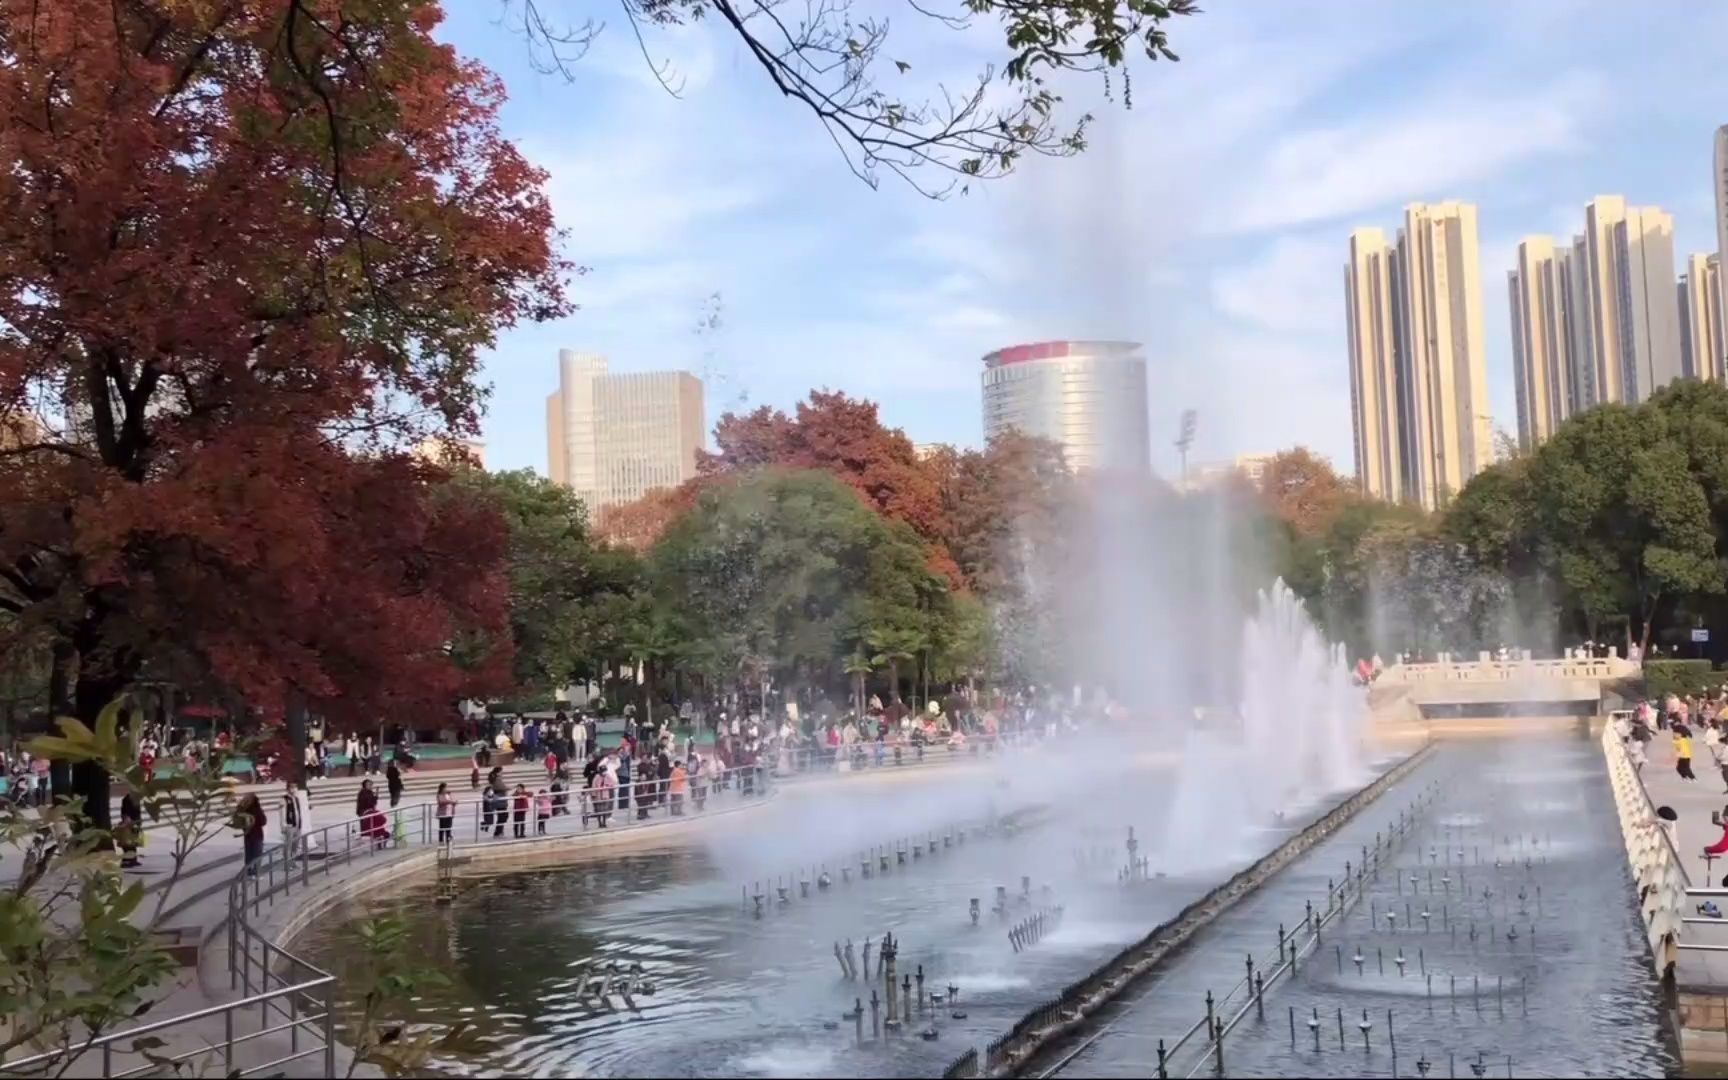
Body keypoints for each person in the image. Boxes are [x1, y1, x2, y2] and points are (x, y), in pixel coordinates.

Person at [236, 793, 267, 870]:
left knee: (248, 854)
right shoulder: (257, 809)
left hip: (248, 834)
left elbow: (239, 822)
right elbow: (263, 821)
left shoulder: (243, 810)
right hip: (257, 835)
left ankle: (248, 871)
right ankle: (256, 871)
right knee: (257, 854)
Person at [356, 778, 388, 848]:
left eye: (371, 785)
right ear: (365, 785)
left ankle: (379, 836)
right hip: (365, 811)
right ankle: (379, 835)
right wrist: (374, 799)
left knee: (376, 822)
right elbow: (367, 803)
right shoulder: (363, 793)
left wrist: (374, 799)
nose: (370, 786)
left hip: (370, 811)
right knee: (373, 821)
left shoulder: (370, 792)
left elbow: (372, 803)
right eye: (369, 785)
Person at [117, 791, 143, 869]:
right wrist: (127, 821)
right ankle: (128, 860)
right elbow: (125, 813)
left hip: (135, 822)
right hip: (130, 823)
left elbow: (137, 812)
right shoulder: (127, 799)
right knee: (128, 843)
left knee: (134, 842)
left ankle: (133, 859)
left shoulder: (136, 799)